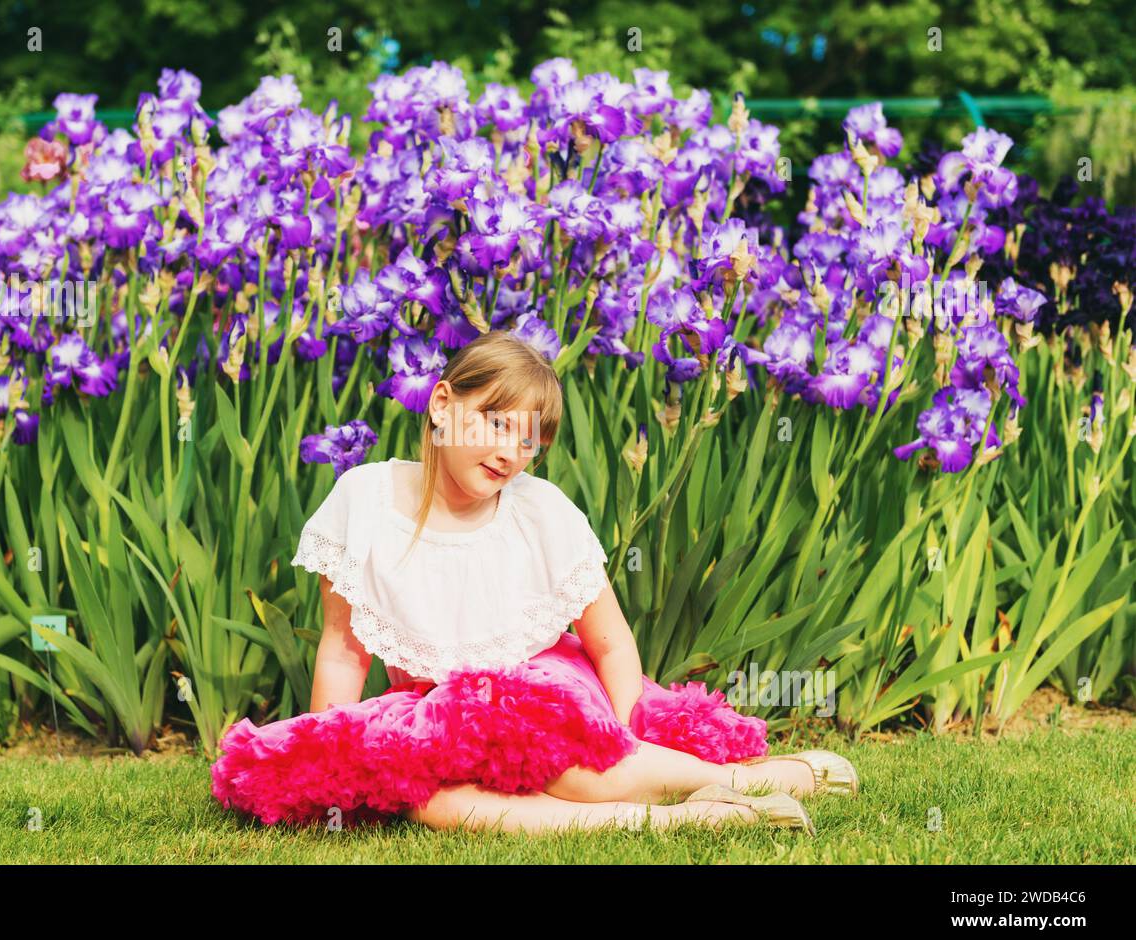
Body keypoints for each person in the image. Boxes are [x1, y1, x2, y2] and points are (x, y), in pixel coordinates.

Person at [210, 330, 858, 835]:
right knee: (428, 797)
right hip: (438, 712)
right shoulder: (366, 500)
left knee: (577, 768)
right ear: (442, 403)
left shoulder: (540, 513)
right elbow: (342, 646)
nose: (510, 452)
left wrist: (625, 727)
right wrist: (336, 750)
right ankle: (670, 817)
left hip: (548, 689)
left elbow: (610, 642)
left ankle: (737, 779)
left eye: (529, 440)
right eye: (496, 422)